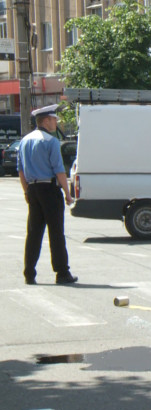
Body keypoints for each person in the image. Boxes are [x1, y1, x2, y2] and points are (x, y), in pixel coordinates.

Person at [17, 104, 78, 285]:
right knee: (56, 232)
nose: (55, 122)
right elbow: (59, 171)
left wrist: (26, 191)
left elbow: (20, 170)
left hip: (33, 189)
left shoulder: (24, 141)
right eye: (53, 119)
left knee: (34, 233)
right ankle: (62, 273)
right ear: (45, 120)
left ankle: (29, 273)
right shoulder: (50, 141)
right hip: (50, 189)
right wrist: (68, 193)